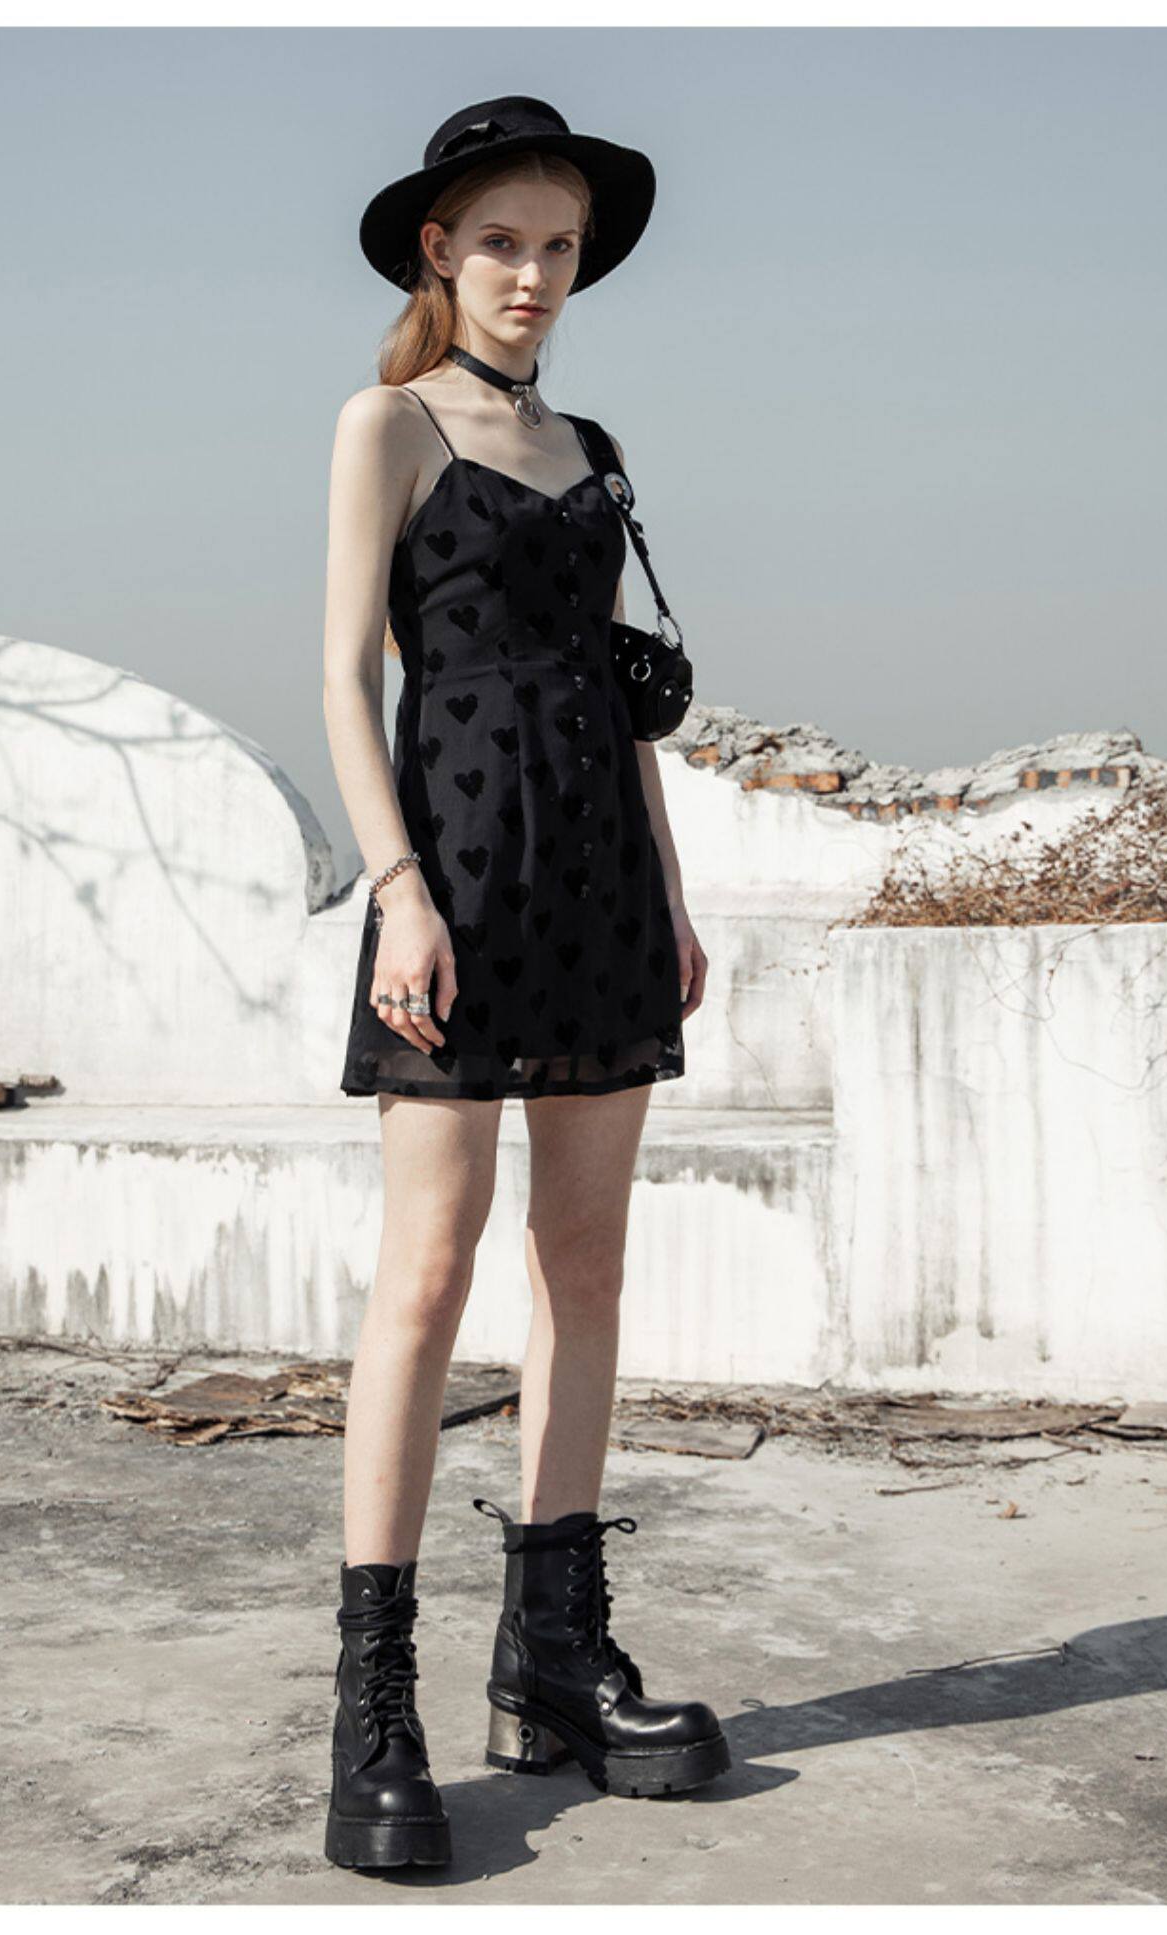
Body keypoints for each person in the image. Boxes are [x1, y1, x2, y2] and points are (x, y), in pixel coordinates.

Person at [321, 96, 728, 1872]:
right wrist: (399, 892)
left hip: (601, 884)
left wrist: (674, 891)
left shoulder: (592, 446)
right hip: (458, 883)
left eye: (559, 247)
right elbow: (343, 681)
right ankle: (376, 1705)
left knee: (588, 1264)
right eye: (501, 241)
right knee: (426, 1274)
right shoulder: (390, 424)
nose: (534, 275)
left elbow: (621, 698)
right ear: (440, 248)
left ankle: (555, 1657)